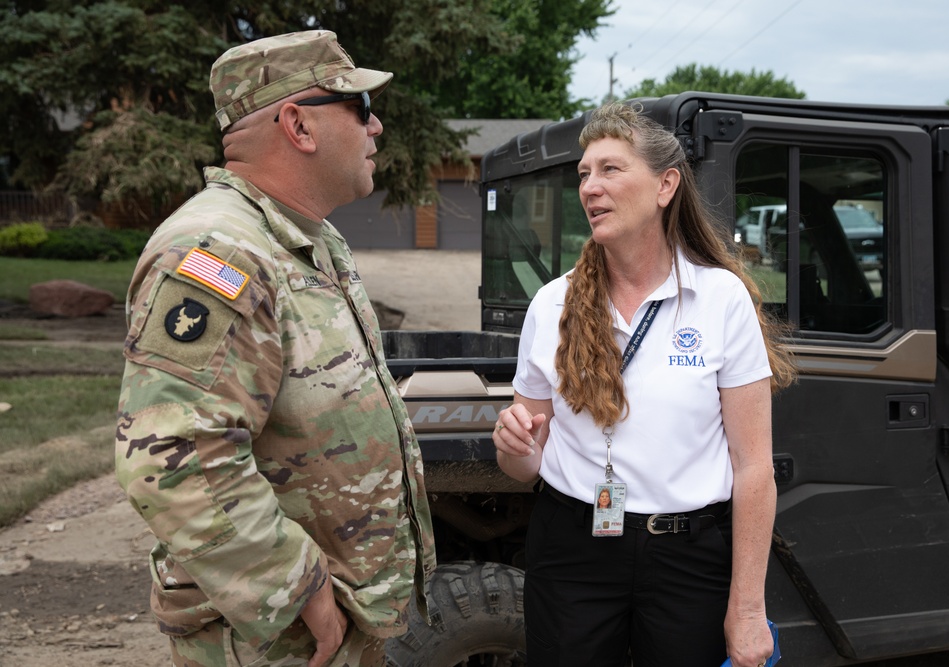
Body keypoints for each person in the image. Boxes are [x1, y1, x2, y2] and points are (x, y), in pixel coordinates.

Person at [114, 30, 435, 667]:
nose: (377, 127)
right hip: (274, 636)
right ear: (298, 125)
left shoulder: (307, 240)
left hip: (330, 619)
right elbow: (172, 454)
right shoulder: (219, 250)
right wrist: (298, 588)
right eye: (360, 109)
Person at [492, 101, 795, 667]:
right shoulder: (552, 302)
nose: (589, 187)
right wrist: (514, 446)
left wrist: (748, 609)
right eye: (584, 173)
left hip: (690, 559)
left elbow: (754, 467)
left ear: (665, 185)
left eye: (610, 169)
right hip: (573, 551)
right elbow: (523, 464)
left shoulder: (721, 299)